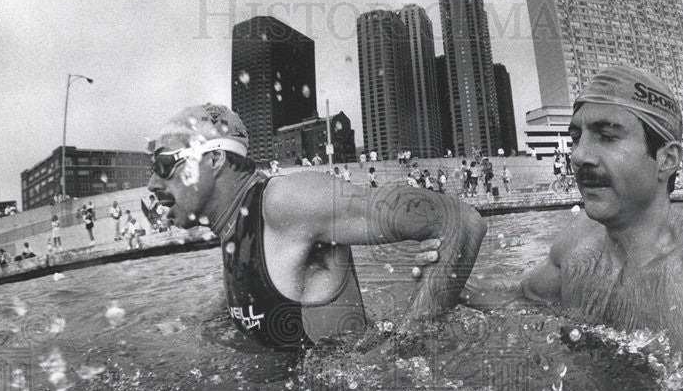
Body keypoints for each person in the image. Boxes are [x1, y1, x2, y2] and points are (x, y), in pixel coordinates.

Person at [461, 65, 683, 375]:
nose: (578, 155)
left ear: (666, 159)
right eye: (576, 138)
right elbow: (517, 299)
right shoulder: (576, 242)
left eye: (606, 136)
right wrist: (451, 260)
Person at [147, 103, 486, 350]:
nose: (150, 183)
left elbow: (461, 220)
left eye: (164, 165)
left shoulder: (284, 202)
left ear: (215, 159)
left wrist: (404, 346)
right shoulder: (234, 231)